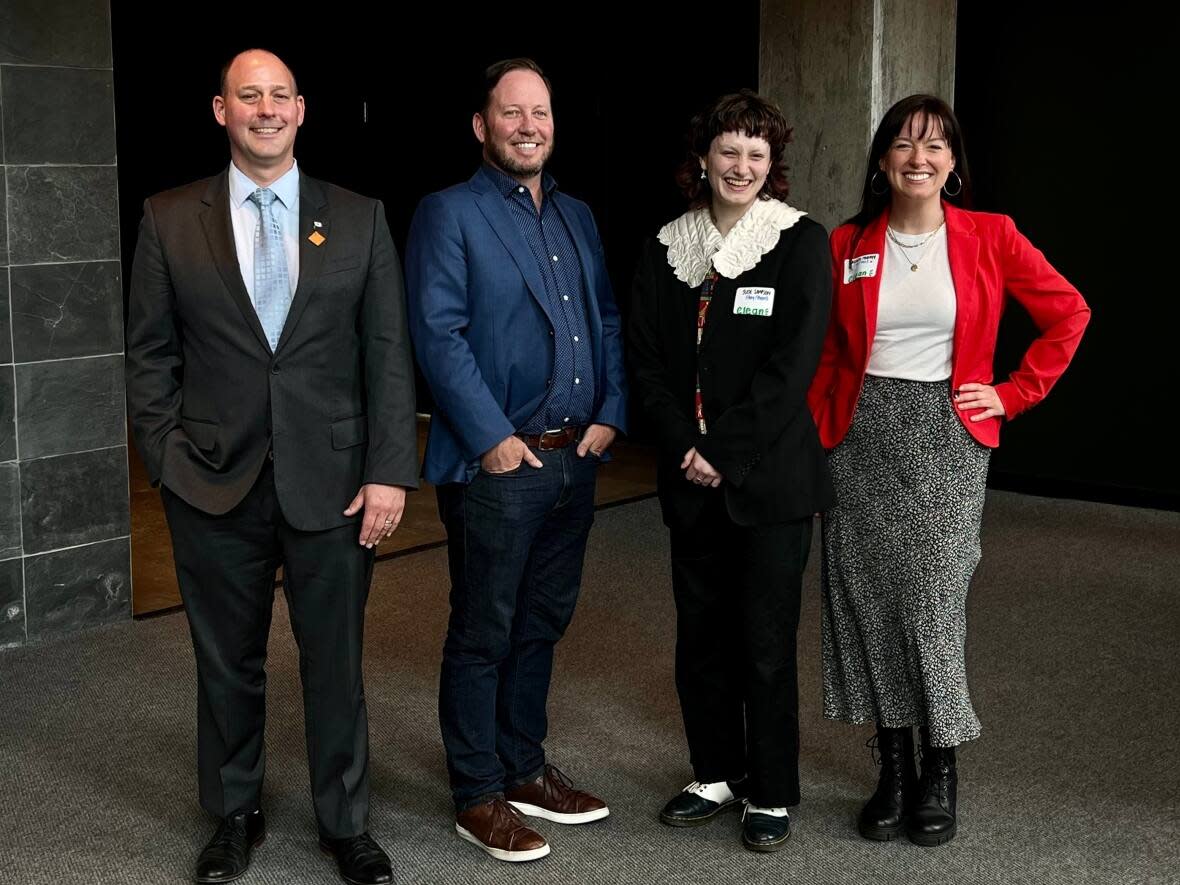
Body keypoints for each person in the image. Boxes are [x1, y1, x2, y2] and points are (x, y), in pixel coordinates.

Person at [125, 49, 418, 885]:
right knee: (226, 660)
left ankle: (345, 822)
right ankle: (232, 814)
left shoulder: (359, 217)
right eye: (247, 96)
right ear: (221, 110)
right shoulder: (169, 216)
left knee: (336, 659)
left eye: (279, 95)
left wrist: (392, 470)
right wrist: (167, 460)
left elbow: (387, 356)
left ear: (301, 110)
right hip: (210, 481)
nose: (265, 108)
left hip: (335, 484)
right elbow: (150, 357)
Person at [807, 94, 1090, 847]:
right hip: (861, 438)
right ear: (881, 159)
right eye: (902, 144)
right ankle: (892, 766)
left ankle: (941, 767)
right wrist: (818, 423)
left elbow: (1070, 312)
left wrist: (1011, 392)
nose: (918, 158)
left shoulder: (990, 236)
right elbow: (829, 350)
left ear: (954, 162)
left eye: (934, 146)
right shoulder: (847, 243)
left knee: (931, 601)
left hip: (946, 434)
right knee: (869, 598)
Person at [404, 58, 627, 863]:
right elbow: (438, 333)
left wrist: (612, 412)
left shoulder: (578, 215)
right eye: (512, 112)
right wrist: (492, 437)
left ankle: (523, 767)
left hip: (576, 459)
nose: (529, 125)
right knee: (484, 629)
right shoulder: (449, 212)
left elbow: (605, 316)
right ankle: (477, 793)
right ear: (482, 125)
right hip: (502, 463)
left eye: (540, 112)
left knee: (541, 623)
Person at [628, 90, 833, 852]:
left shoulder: (800, 241)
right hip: (689, 476)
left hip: (769, 480)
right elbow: (645, 360)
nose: (741, 165)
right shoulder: (664, 245)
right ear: (703, 159)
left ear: (772, 165)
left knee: (766, 640)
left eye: (757, 153)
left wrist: (723, 448)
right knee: (701, 634)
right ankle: (714, 770)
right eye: (728, 150)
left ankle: (772, 789)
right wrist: (685, 441)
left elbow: (793, 367)